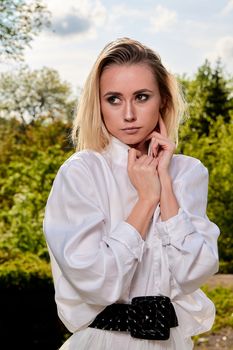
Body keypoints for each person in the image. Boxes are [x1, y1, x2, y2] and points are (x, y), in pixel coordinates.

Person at [43, 37, 220, 350]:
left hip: (171, 343)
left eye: (141, 97)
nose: (128, 114)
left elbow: (195, 271)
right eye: (113, 99)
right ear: (97, 104)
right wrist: (146, 199)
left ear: (163, 100)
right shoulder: (82, 172)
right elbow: (96, 281)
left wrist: (164, 184)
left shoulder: (188, 173)